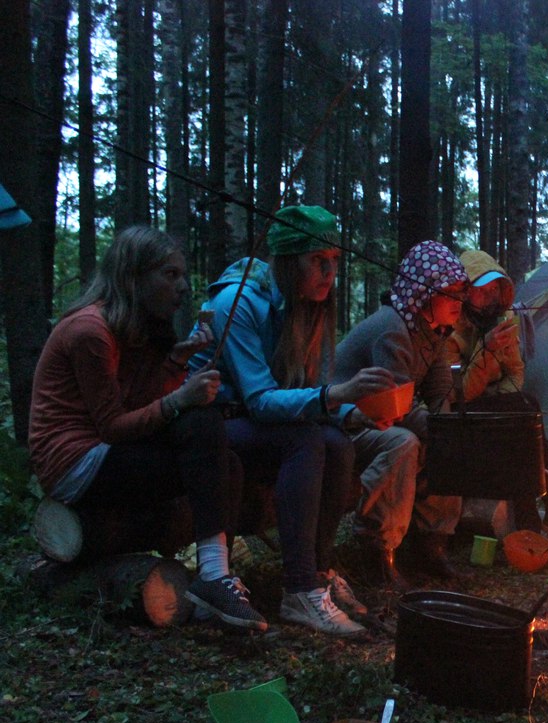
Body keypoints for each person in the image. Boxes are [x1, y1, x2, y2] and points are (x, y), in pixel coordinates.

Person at [28, 226, 266, 631]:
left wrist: (175, 363)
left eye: (181, 276)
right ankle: (213, 577)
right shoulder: (90, 331)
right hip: (75, 465)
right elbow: (113, 426)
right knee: (202, 423)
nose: (181, 287)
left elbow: (137, 403)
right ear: (133, 276)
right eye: (169, 275)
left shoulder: (133, 331)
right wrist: (181, 399)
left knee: (227, 463)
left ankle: (213, 582)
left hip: (105, 452)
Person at [189, 205, 395, 636]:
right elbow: (260, 400)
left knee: (338, 442)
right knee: (305, 440)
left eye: (334, 260)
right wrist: (337, 394)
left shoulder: (306, 306)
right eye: (317, 260)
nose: (329, 272)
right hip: (209, 427)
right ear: (288, 261)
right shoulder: (237, 302)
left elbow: (307, 388)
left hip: (257, 424)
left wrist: (353, 413)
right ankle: (299, 588)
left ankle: (318, 573)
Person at [331, 239, 470, 586]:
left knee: (445, 437)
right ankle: (377, 547)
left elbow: (439, 391)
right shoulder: (392, 328)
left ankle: (430, 543)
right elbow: (394, 406)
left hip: (379, 419)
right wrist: (441, 428)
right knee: (403, 443)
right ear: (423, 294)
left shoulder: (433, 331)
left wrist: (450, 428)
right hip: (342, 421)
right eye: (449, 293)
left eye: (460, 292)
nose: (458, 301)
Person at [446, 249, 548, 542]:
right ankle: (545, 512)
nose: (489, 298)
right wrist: (486, 350)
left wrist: (503, 398)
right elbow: (458, 393)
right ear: (465, 292)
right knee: (524, 413)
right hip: (457, 412)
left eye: (494, 290)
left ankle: (540, 516)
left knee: (523, 414)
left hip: (496, 403)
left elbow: (515, 370)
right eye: (481, 291)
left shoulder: (504, 319)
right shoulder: (450, 328)